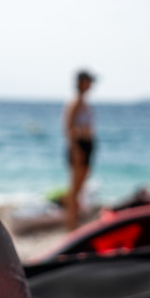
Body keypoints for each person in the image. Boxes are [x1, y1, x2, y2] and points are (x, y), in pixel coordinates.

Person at [63, 70, 96, 231]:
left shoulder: (84, 102)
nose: (90, 85)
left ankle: (74, 223)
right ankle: (71, 225)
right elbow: (68, 127)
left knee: (80, 188)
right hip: (79, 146)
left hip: (86, 144)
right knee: (75, 188)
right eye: (88, 81)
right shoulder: (75, 102)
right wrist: (75, 150)